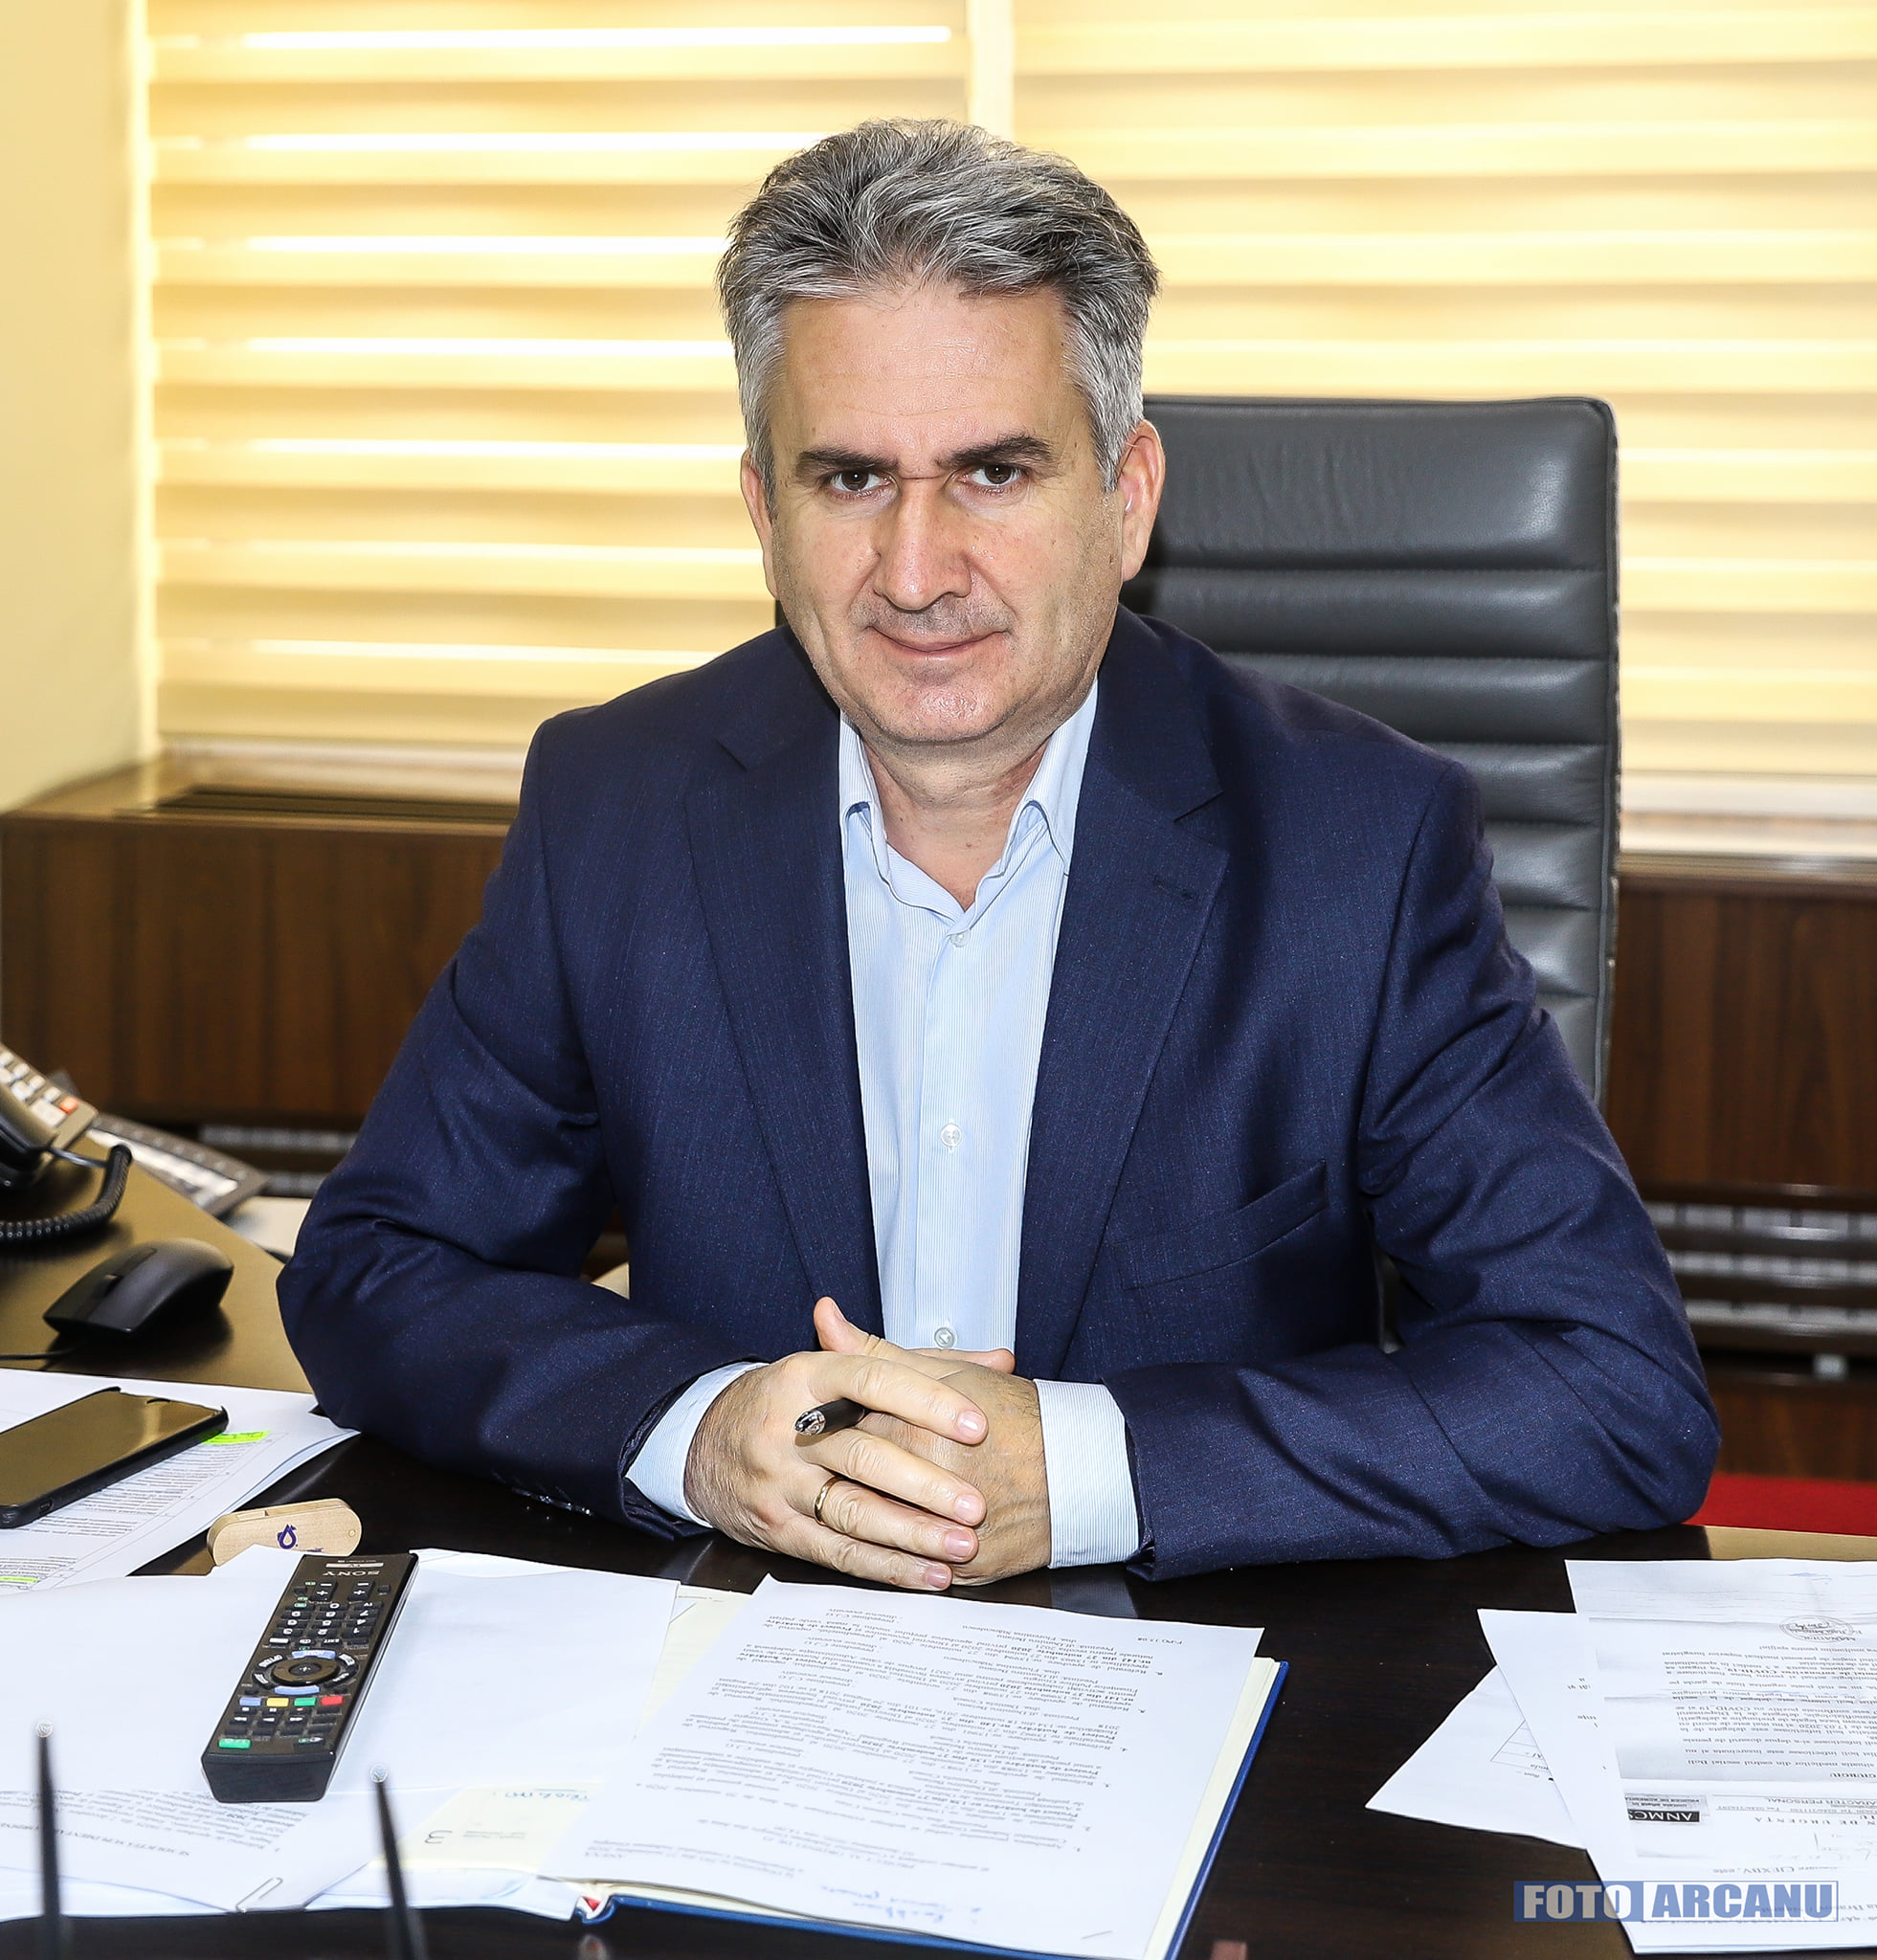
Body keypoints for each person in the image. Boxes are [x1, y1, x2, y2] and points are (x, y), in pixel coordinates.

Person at [279, 120, 1717, 1590]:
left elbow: (1610, 1391)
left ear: (1126, 496)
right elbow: (377, 1271)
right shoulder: (621, 804)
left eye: (992, 473)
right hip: (743, 1653)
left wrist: (1086, 1472)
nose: (915, 575)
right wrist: (699, 1432)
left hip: (1197, 1662)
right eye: (849, 479)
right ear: (763, 511)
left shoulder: (1356, 844)